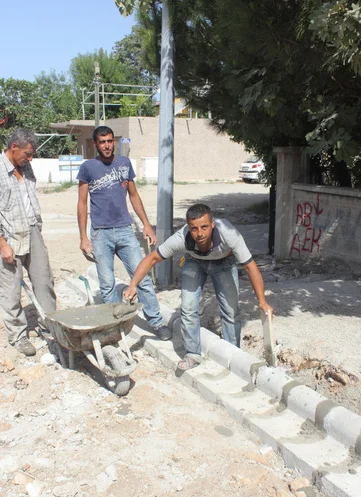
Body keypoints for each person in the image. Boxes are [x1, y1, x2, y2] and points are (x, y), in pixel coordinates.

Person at [124, 203, 273, 370]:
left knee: (231, 312)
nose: (200, 233)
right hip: (194, 262)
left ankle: (232, 354)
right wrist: (132, 285)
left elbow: (250, 266)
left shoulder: (229, 235)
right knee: (187, 308)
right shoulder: (181, 238)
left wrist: (262, 300)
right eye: (194, 228)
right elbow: (152, 258)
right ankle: (192, 355)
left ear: (212, 224)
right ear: (188, 227)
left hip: (224, 263)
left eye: (204, 227)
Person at [77, 126, 171, 340]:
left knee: (143, 277)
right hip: (100, 234)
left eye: (110, 141)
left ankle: (156, 321)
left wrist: (146, 224)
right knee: (107, 283)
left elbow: (134, 196)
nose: (107, 145)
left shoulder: (124, 164)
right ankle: (112, 328)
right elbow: (82, 203)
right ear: (95, 144)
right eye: (102, 142)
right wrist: (83, 237)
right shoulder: (88, 168)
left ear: (114, 142)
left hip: (125, 230)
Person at [0, 128, 56, 356]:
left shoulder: (26, 166)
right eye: (27, 154)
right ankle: (18, 336)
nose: (30, 159)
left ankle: (50, 326)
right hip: (9, 236)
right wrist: (2, 244)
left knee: (44, 281)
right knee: (11, 291)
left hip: (32, 230)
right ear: (14, 148)